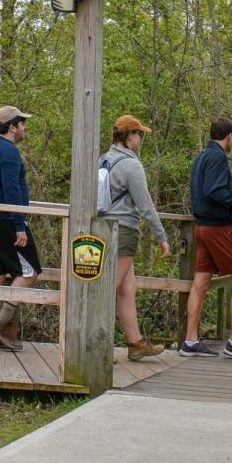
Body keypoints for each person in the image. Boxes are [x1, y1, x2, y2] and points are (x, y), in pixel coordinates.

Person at [182, 117, 232, 359]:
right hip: (218, 227)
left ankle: (190, 341)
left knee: (201, 282)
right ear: (229, 136)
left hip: (202, 227)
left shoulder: (201, 157)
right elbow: (214, 191)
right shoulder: (217, 157)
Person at [99, 115, 171, 361]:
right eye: (139, 134)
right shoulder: (131, 165)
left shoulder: (104, 160)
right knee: (106, 290)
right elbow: (145, 206)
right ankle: (95, 346)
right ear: (129, 136)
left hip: (103, 229)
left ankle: (135, 343)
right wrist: (161, 236)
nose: (141, 139)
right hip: (124, 231)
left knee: (125, 289)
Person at [0, 105, 40, 351]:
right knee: (29, 272)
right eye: (22, 123)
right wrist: (19, 225)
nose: (25, 128)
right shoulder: (8, 151)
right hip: (5, 221)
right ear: (12, 126)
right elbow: (10, 190)